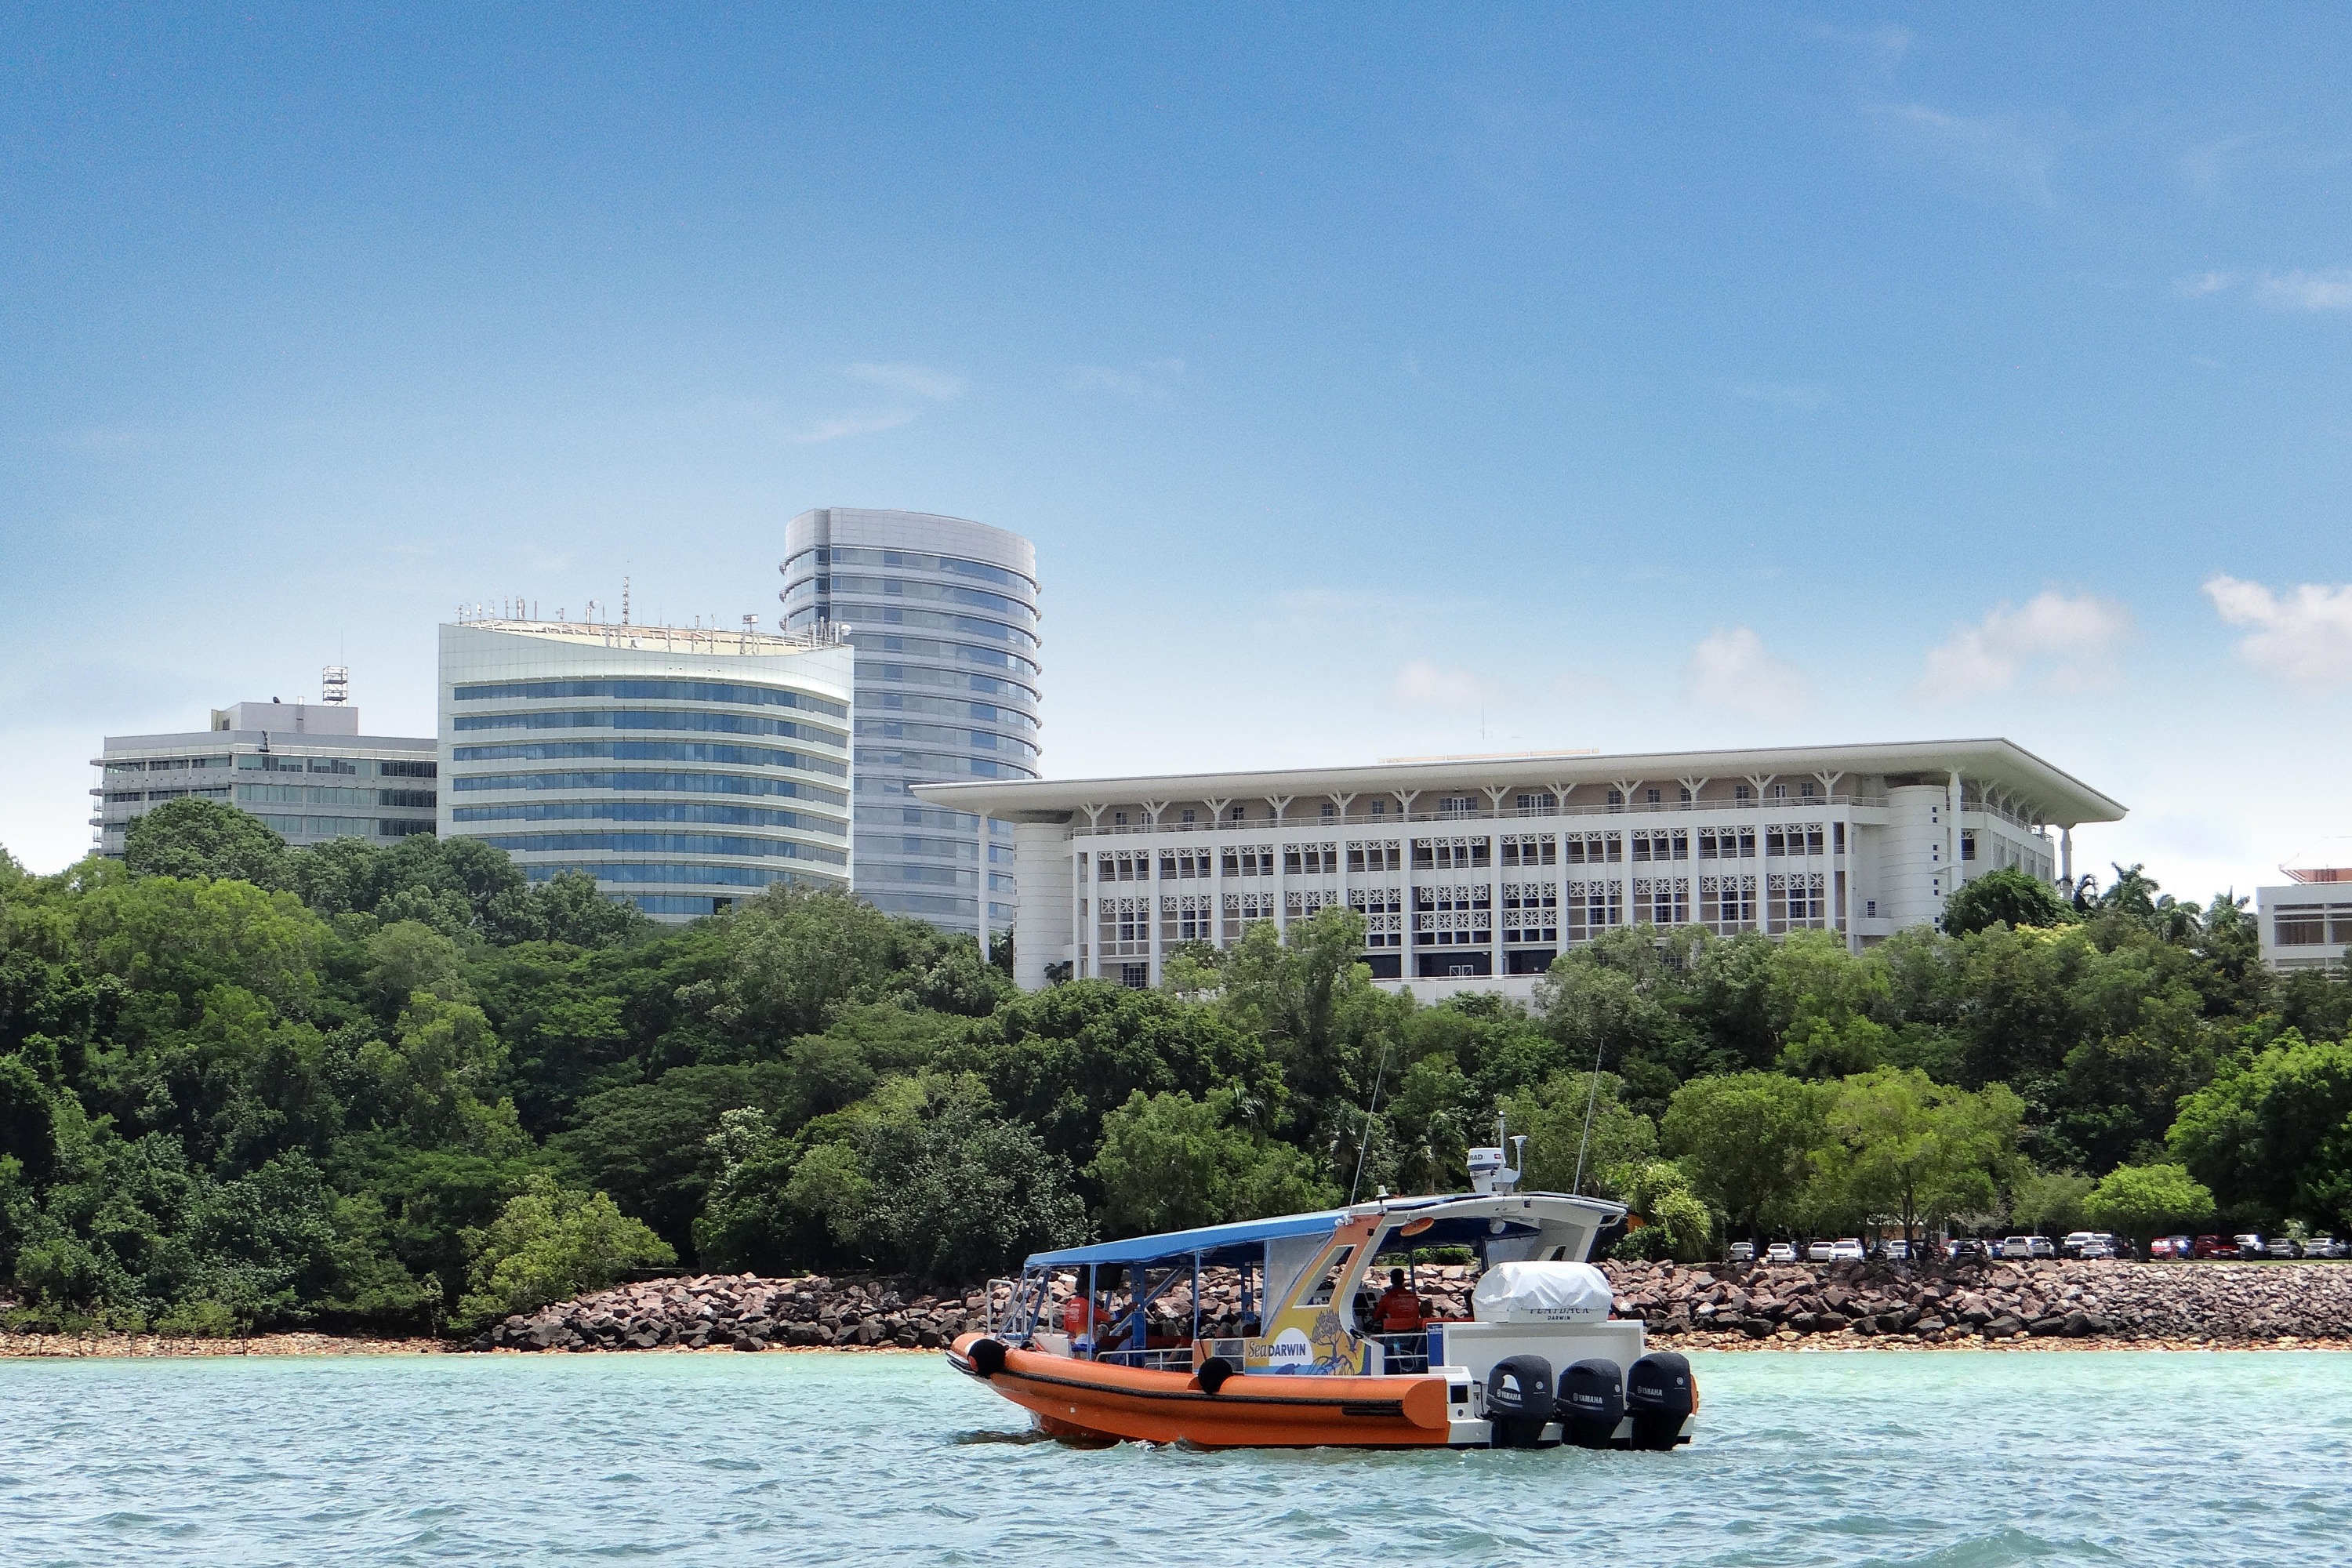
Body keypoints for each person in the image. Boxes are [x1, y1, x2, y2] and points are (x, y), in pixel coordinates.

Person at [1372, 1268, 1425, 1334]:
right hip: (1412, 1330)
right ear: (1403, 1280)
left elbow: (1377, 1317)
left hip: (1392, 1331)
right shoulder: (1413, 1297)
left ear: (1391, 1280)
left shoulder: (1387, 1297)